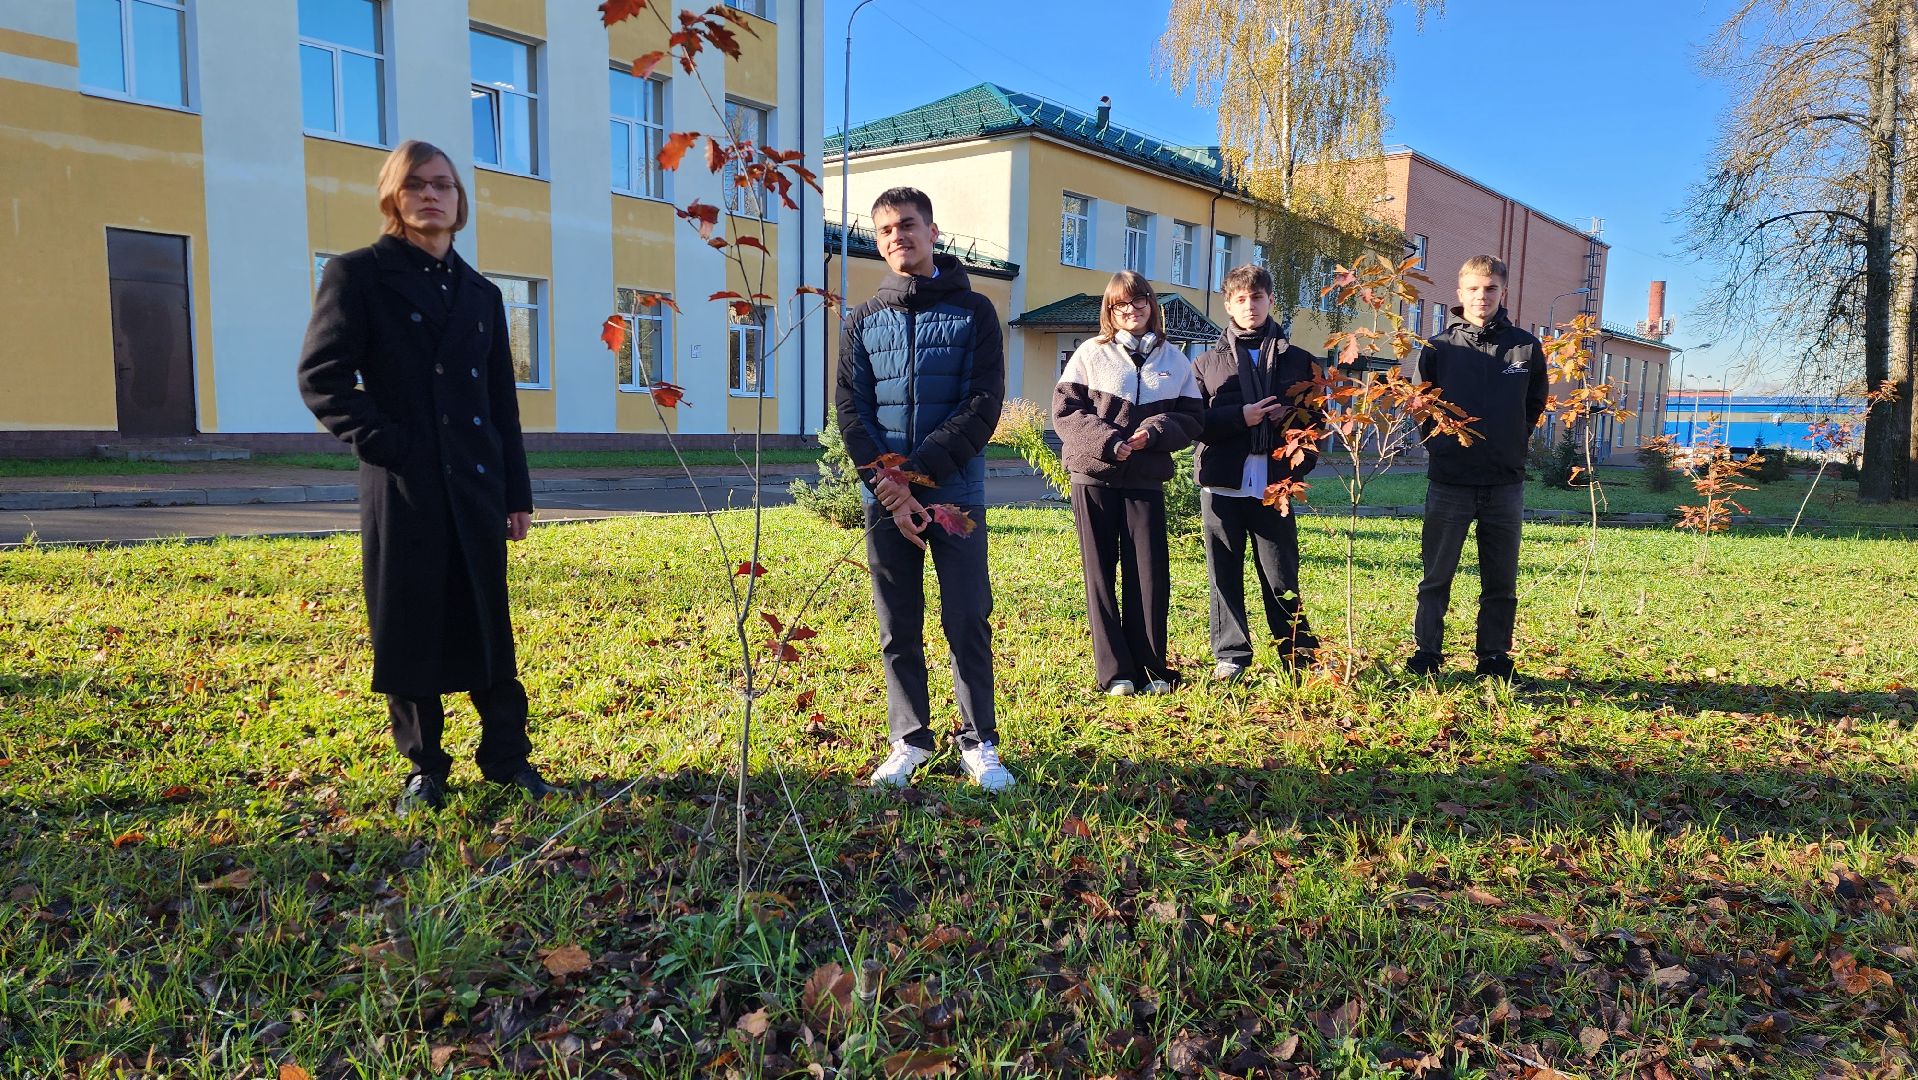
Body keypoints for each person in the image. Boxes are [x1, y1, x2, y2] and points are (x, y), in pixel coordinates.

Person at [297, 139, 556, 815]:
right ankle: (425, 768)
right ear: (394, 197)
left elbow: (501, 402)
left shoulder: (482, 293)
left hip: (474, 484)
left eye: (444, 184)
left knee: (487, 625)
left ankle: (506, 757)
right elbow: (322, 379)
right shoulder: (358, 275)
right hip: (404, 485)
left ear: (459, 200)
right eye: (417, 185)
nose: (432, 195)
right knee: (410, 626)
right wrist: (393, 444)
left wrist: (517, 494)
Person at [834, 186, 1013, 791]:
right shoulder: (862, 320)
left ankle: (979, 740)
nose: (896, 237)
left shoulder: (976, 313)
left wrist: (913, 478)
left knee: (967, 618)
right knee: (897, 623)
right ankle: (909, 740)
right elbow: (851, 412)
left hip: (954, 493)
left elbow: (982, 405)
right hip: (885, 499)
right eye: (884, 230)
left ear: (934, 231)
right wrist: (890, 488)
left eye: (907, 225)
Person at [1052, 272, 1203, 696]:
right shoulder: (1090, 353)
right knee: (1100, 572)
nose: (1132, 311)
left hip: (1145, 480)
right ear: (1110, 311)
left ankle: (1152, 669)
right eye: (1122, 305)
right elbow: (1065, 413)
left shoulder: (1175, 360)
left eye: (1139, 302)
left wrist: (1155, 432)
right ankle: (1115, 672)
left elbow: (1192, 420)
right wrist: (1110, 442)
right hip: (1093, 475)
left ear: (1152, 306)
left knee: (1149, 574)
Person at [1408, 254, 1548, 680]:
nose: (1481, 296)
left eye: (1490, 289)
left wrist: (1510, 443)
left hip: (1505, 483)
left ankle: (1493, 657)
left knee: (1500, 580)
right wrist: (1444, 450)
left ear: (1502, 292)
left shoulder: (1525, 347)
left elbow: (1533, 405)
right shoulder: (1439, 347)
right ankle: (1427, 654)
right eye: (1473, 288)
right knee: (1436, 576)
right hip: (1451, 481)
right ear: (1459, 293)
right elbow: (1421, 407)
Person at [1191, 264, 1324, 682]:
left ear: (1270, 301)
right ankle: (1231, 655)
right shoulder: (1207, 363)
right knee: (1224, 573)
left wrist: (1296, 468)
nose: (1250, 306)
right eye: (1241, 299)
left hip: (1275, 487)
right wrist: (1240, 417)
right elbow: (1193, 422)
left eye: (1258, 297)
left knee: (1281, 572)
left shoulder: (1299, 361)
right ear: (1228, 304)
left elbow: (1316, 425)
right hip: (1222, 484)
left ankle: (1296, 650)